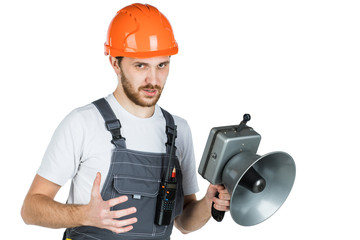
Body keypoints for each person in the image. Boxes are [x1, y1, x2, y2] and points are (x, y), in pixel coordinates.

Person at [21, 3, 230, 240]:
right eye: (140, 65)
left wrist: (208, 202)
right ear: (115, 63)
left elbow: (183, 222)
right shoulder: (83, 123)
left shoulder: (178, 130)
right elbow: (30, 209)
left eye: (162, 65)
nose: (153, 79)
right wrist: (84, 215)